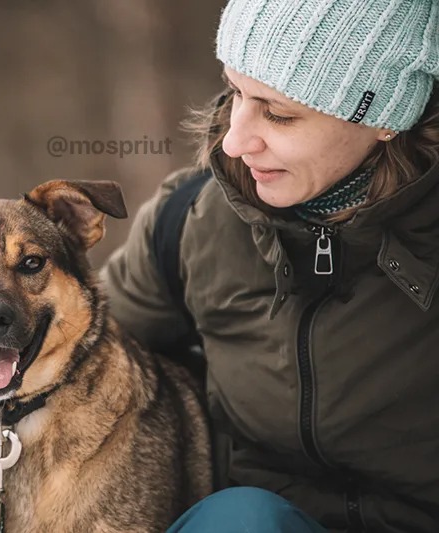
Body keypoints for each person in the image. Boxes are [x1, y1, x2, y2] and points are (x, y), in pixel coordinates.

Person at [100, 0, 439, 532]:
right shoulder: (191, 222)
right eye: (236, 92)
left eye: (278, 112)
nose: (235, 140)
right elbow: (80, 359)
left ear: (384, 119)